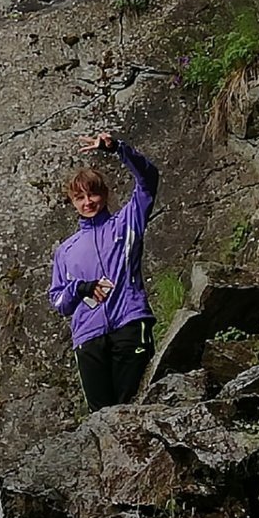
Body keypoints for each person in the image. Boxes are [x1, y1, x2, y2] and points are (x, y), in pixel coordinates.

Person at [48, 132, 160, 412]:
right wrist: (80, 288)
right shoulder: (65, 251)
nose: (88, 202)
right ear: (72, 202)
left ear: (106, 194)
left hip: (130, 323)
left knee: (138, 405)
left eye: (94, 194)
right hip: (88, 338)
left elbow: (149, 180)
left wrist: (118, 149)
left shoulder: (127, 221)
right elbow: (59, 303)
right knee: (104, 420)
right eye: (80, 197)